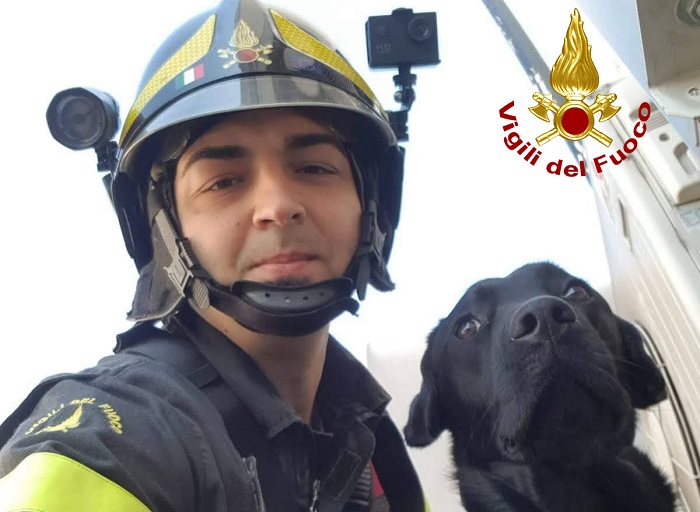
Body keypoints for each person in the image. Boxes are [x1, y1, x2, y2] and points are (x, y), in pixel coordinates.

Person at [0, 0, 428, 510]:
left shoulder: (374, 454)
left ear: (373, 202)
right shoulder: (113, 445)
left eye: (315, 168)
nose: (277, 207)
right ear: (160, 228)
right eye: (224, 181)